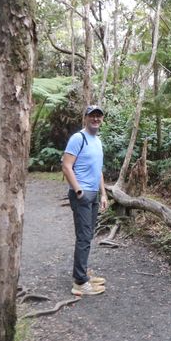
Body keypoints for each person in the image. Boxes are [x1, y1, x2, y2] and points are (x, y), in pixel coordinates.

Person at [62, 104, 109, 296]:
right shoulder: (77, 138)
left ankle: (83, 272)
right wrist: (78, 189)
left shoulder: (97, 140)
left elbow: (98, 171)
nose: (95, 119)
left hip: (94, 195)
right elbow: (66, 165)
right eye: (92, 116)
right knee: (83, 237)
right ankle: (79, 282)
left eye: (99, 116)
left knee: (88, 236)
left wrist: (104, 193)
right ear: (85, 118)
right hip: (81, 195)